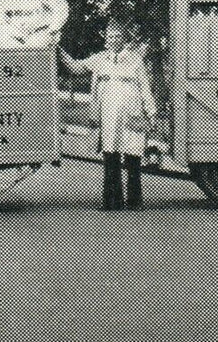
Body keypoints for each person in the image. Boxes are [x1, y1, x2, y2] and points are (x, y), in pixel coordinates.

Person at [59, 17, 158, 210]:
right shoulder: (99, 59)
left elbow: (145, 88)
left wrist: (151, 112)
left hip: (132, 113)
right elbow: (74, 67)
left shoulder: (135, 60)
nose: (112, 39)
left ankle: (135, 202)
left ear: (124, 39)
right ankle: (112, 202)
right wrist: (57, 48)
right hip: (108, 116)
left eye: (116, 36)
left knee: (133, 156)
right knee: (110, 156)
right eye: (109, 36)